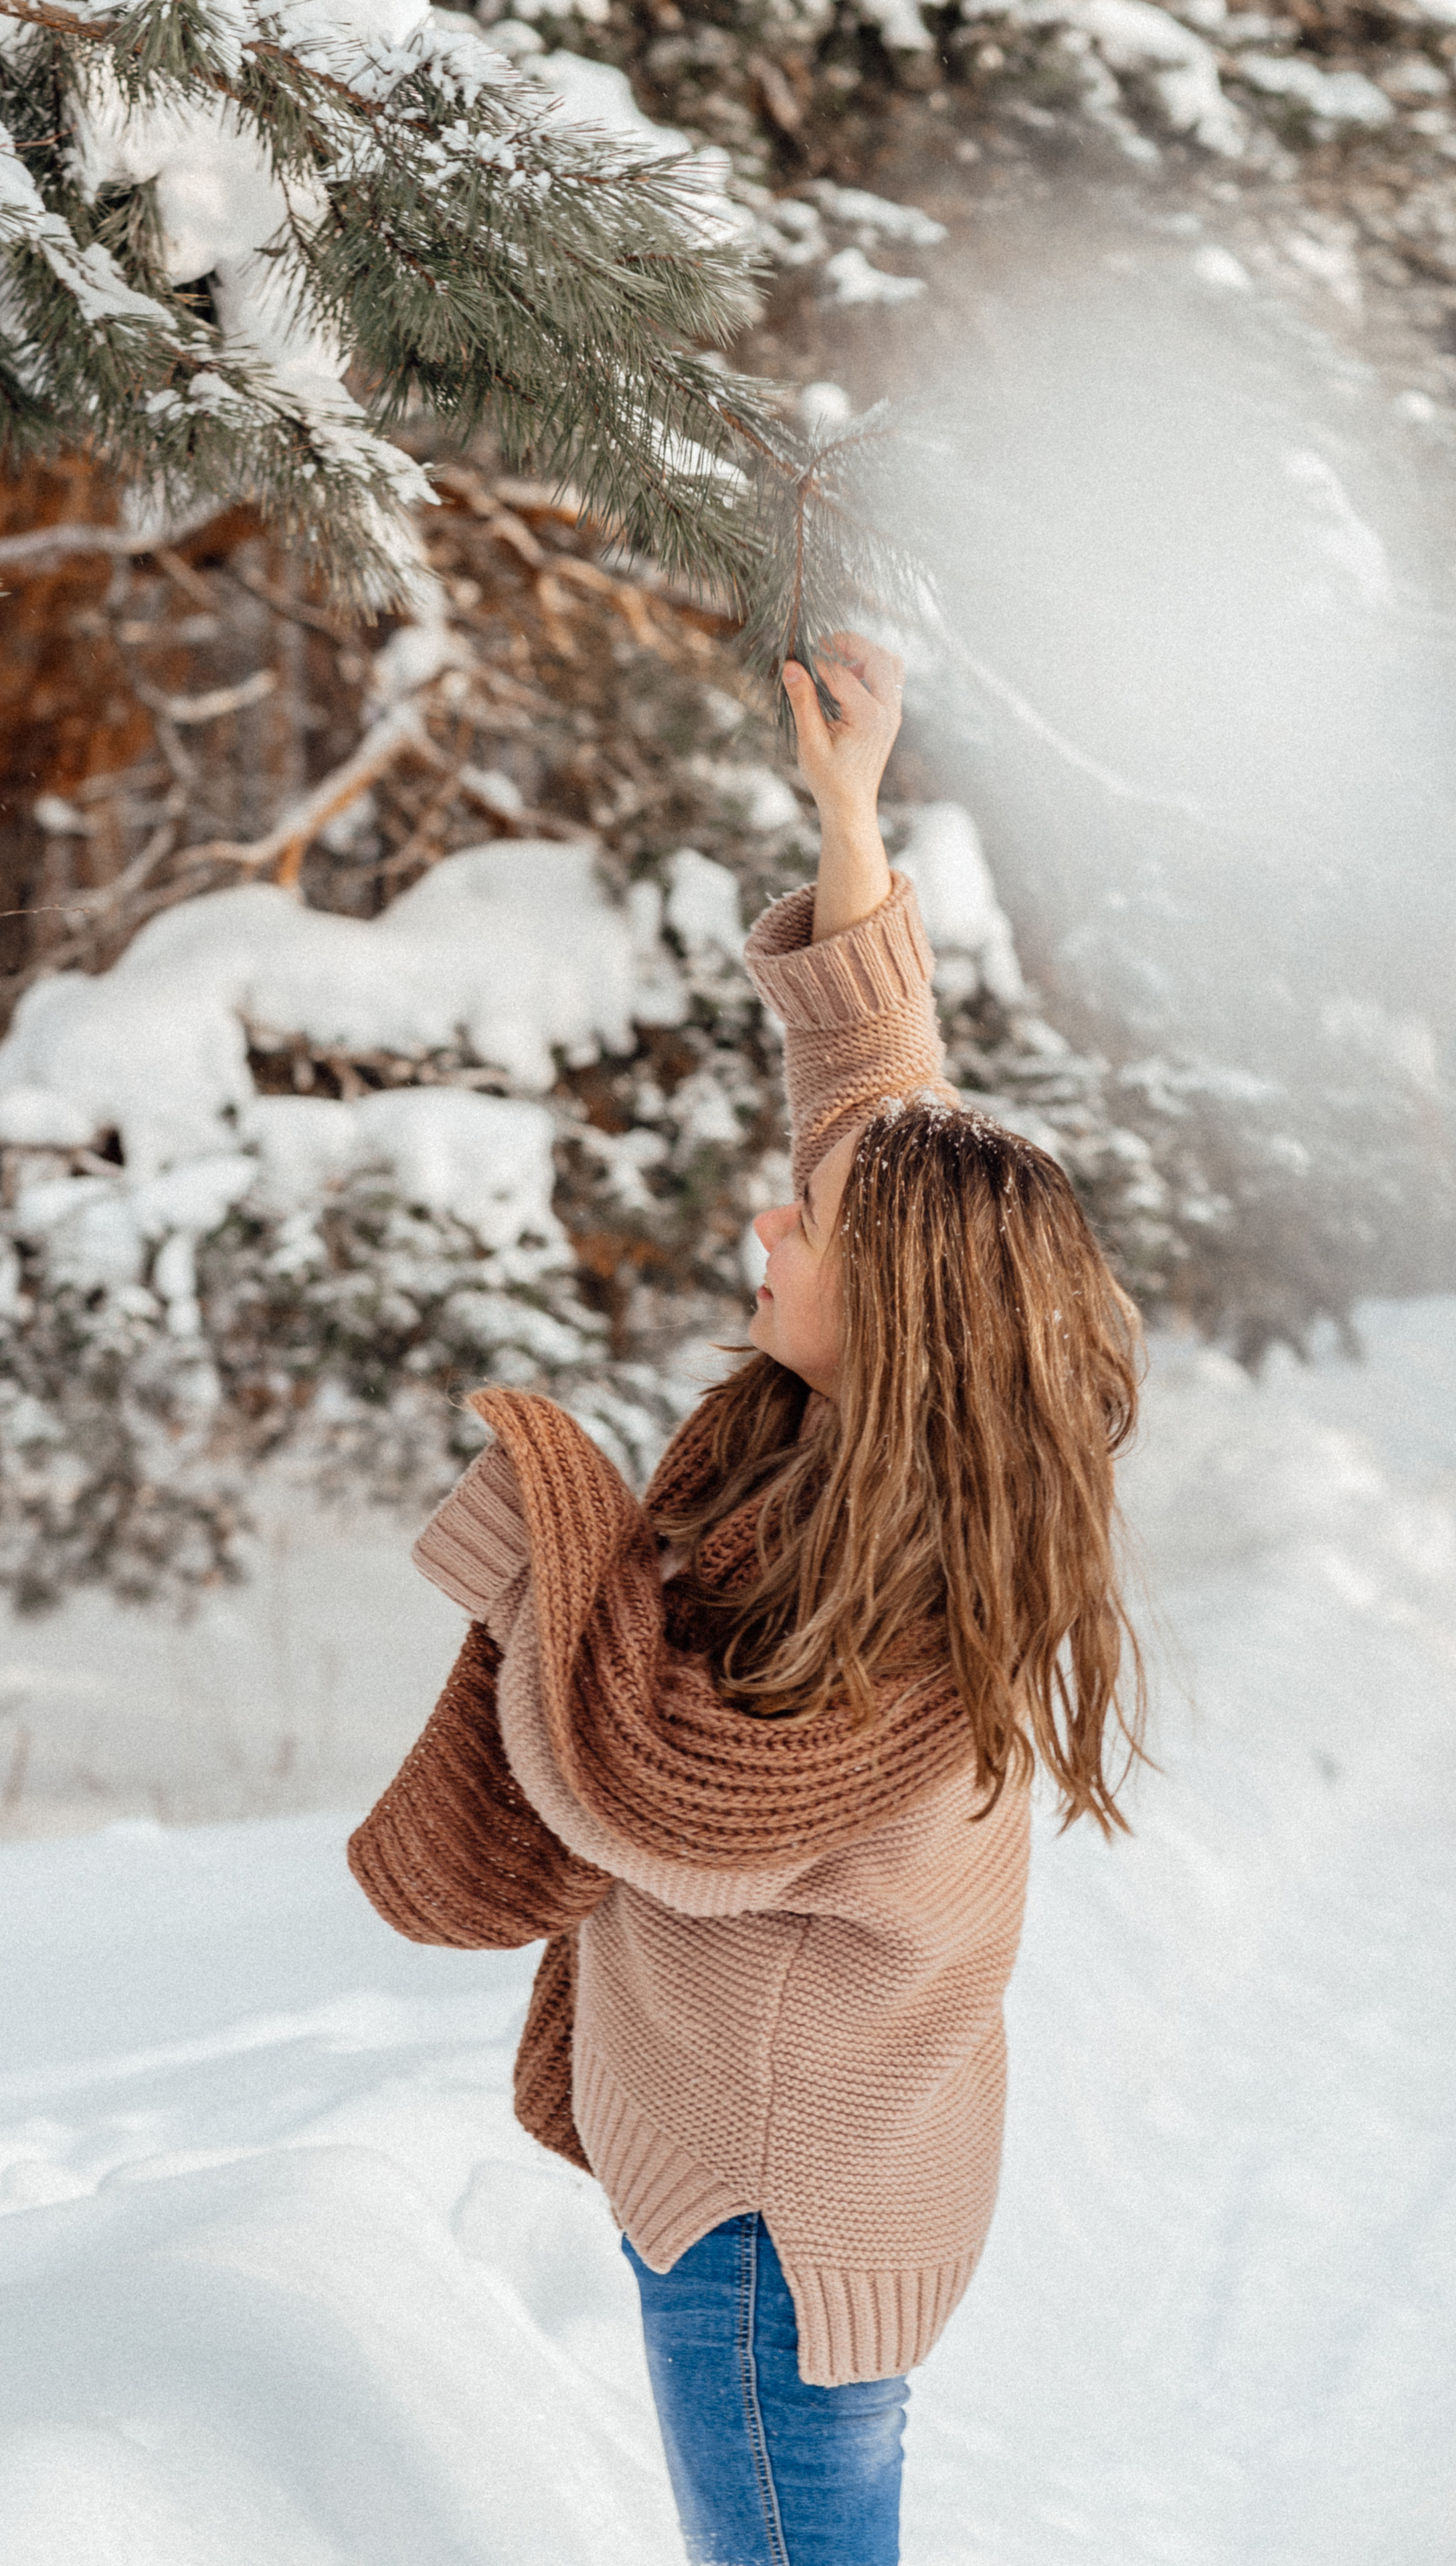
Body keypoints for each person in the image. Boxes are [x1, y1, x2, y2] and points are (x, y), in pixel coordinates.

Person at [349, 632, 1145, 2566]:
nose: (771, 1216)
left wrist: (546, 1535)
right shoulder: (923, 1473)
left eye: (813, 1224)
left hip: (769, 2225)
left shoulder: (893, 1634)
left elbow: (650, 1789)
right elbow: (882, 1109)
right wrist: (853, 817)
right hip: (822, 2170)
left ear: (903, 1318)